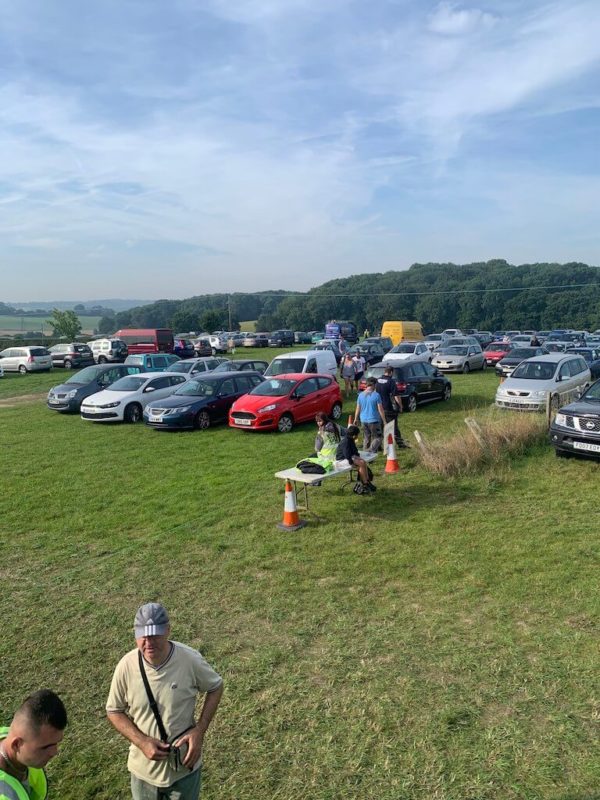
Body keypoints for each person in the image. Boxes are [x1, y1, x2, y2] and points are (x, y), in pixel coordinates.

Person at [107, 602, 224, 800]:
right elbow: (114, 710)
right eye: (143, 635)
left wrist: (200, 730)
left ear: (168, 631)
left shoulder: (189, 659)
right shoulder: (126, 666)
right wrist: (142, 742)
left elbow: (215, 687)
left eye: (155, 634)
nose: (148, 641)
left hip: (184, 770)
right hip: (143, 773)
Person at [0, 689, 68, 800]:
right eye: (45, 747)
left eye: (56, 742)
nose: (54, 752)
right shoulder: (5, 795)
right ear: (17, 744)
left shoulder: (10, 735)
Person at [335, 425, 375, 493]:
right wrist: (352, 463)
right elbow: (347, 454)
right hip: (341, 460)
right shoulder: (346, 442)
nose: (357, 436)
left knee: (363, 462)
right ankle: (365, 483)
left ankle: (367, 481)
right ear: (354, 435)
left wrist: (358, 456)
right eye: (357, 435)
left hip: (348, 457)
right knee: (361, 463)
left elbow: (354, 451)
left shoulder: (351, 439)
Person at [376, 365, 407, 449]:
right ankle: (399, 444)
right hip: (389, 408)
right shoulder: (391, 381)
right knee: (393, 427)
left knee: (380, 426)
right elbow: (396, 396)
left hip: (379, 407)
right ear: (391, 372)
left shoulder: (378, 380)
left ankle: (378, 446)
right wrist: (400, 406)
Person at [354, 377, 386, 452]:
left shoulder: (360, 395)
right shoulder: (376, 395)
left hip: (363, 420)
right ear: (374, 384)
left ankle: (366, 454)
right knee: (378, 437)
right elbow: (380, 409)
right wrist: (384, 421)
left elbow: (358, 408)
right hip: (373, 420)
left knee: (366, 438)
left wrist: (356, 418)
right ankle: (370, 451)